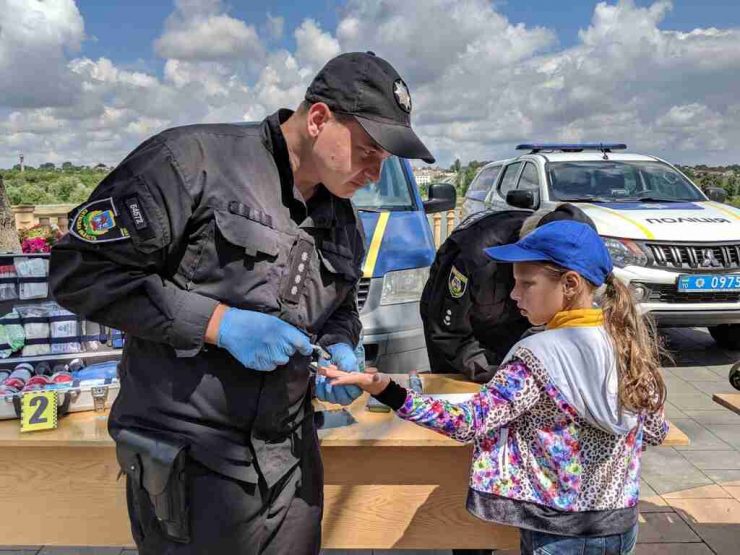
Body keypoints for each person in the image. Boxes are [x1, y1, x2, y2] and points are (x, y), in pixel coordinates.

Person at [49, 51, 435, 554]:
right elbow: (80, 272)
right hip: (191, 461)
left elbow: (340, 307)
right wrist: (219, 323)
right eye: (368, 152)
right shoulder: (191, 163)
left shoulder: (343, 220)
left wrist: (342, 345)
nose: (375, 174)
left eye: (386, 161)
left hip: (290, 464)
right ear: (319, 119)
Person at [322, 220, 669, 555]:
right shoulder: (625, 344)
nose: (515, 294)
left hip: (557, 531)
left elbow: (469, 422)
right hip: (620, 524)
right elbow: (653, 431)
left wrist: (385, 388)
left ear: (570, 283)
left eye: (526, 283)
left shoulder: (537, 356)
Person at [420, 204, 596, 383]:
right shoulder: (475, 258)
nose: (516, 294)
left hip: (514, 328)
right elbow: (449, 333)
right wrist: (495, 376)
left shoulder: (584, 270)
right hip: (455, 325)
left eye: (527, 283)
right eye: (523, 280)